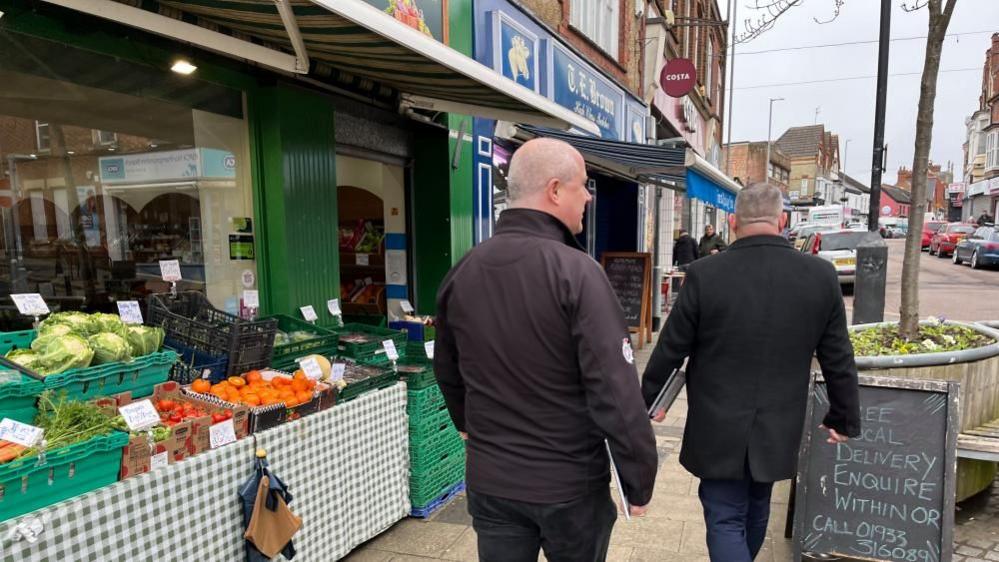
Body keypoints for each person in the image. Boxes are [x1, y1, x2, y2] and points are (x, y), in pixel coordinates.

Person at [434, 138, 658, 562]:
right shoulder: (578, 273)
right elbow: (615, 390)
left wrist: (469, 428)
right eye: (584, 185)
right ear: (555, 190)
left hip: (492, 479)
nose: (589, 196)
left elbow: (446, 368)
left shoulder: (463, 271)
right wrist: (638, 477)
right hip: (567, 485)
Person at [641, 183, 861, 562]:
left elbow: (670, 348)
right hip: (780, 422)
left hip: (716, 423)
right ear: (783, 220)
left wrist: (646, 401)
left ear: (732, 221)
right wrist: (843, 417)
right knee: (758, 507)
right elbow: (838, 356)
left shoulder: (704, 274)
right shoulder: (820, 276)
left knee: (725, 516)